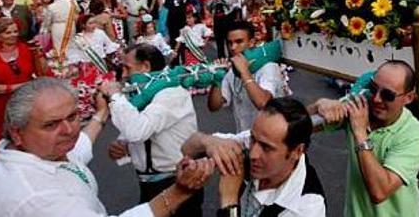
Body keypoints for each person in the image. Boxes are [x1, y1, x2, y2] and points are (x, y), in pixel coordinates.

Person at [0, 77, 214, 217]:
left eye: (73, 116)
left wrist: (100, 114)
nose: (68, 129)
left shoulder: (36, 150)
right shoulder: (34, 195)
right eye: (51, 124)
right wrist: (179, 192)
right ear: (16, 132)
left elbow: (79, 148)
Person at [309, 60, 419, 217]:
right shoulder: (361, 104)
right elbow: (296, 126)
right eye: (373, 88)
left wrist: (360, 133)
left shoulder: (414, 134)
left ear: (408, 98)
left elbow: (379, 192)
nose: (377, 99)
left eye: (387, 95)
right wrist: (318, 106)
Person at [99, 44, 203, 216]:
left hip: (177, 181)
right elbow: (135, 131)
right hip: (148, 184)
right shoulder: (143, 94)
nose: (124, 75)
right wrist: (122, 146)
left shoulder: (171, 93)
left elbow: (137, 130)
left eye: (127, 68)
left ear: (146, 67)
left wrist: (115, 96)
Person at [182, 97, 326, 217]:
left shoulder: (307, 209)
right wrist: (209, 143)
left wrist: (229, 201)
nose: (252, 154)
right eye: (253, 139)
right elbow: (187, 148)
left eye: (266, 148)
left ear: (297, 151)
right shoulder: (259, 139)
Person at [0, 18, 43, 178]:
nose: (13, 35)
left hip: (27, 102)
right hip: (2, 107)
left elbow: (42, 73)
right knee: (5, 141)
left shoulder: (26, 49)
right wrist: (14, 87)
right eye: (8, 32)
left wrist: (39, 55)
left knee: (30, 138)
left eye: (15, 31)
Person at [208, 21, 287, 132]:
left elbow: (263, 103)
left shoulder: (268, 67)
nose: (233, 47)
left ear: (251, 43)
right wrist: (217, 80)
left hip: (272, 136)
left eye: (239, 42)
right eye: (229, 43)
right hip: (245, 136)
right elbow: (214, 107)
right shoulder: (231, 71)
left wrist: (244, 71)